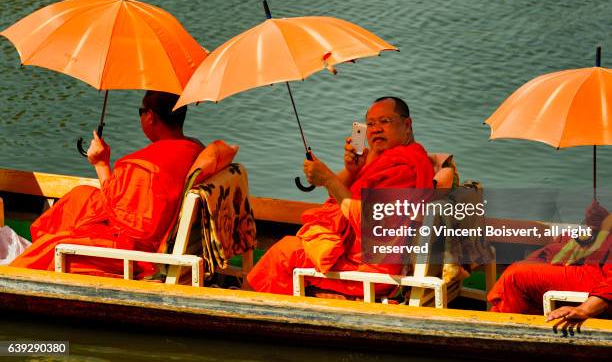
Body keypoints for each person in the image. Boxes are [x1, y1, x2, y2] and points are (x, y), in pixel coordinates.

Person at [247, 97, 435, 296]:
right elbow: (338, 198)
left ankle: (241, 309)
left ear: (407, 124)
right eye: (370, 124)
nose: (375, 129)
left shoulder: (403, 168)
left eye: (384, 121)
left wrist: (328, 178)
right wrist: (352, 170)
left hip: (370, 267)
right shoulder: (387, 158)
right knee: (289, 247)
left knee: (284, 253)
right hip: (360, 253)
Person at [11, 91, 203, 276]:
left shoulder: (146, 166)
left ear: (151, 117)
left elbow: (125, 219)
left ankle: (22, 269)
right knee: (80, 196)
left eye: (141, 112)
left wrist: (101, 164)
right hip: (156, 230)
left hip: (137, 250)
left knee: (54, 245)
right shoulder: (194, 150)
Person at [488, 200, 611, 320]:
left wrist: (586, 308)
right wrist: (603, 221)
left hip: (602, 276)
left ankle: (511, 332)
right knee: (548, 251)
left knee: (516, 277)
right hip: (598, 257)